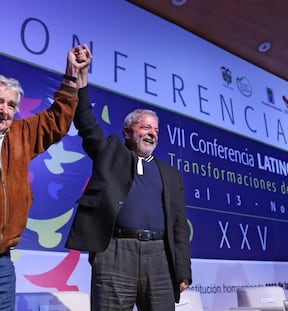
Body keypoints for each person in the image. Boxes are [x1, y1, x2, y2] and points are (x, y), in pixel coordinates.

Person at [65, 57, 192, 311]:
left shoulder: (170, 173)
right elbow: (87, 123)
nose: (152, 133)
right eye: (145, 127)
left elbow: (179, 226)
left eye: (156, 129)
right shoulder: (111, 151)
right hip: (114, 253)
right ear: (127, 132)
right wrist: (80, 83)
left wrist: (182, 270)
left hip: (159, 257)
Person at [0, 44, 92, 310]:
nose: (4, 110)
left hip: (3, 263)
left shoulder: (21, 134)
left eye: (11, 105)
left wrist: (72, 73)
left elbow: (57, 118)